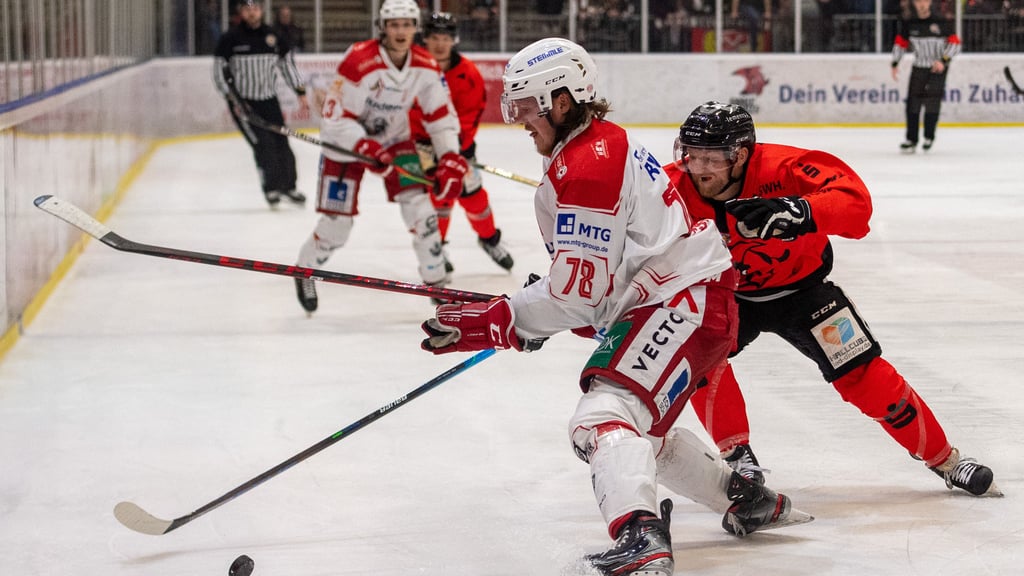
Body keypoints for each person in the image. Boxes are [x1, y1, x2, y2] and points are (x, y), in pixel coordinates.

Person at [417, 39, 812, 576]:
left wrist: (504, 318)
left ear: (562, 100)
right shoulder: (594, 148)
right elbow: (593, 288)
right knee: (640, 433)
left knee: (602, 419)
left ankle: (640, 537)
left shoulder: (587, 164)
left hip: (680, 300)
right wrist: (530, 312)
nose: (521, 119)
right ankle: (745, 498)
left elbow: (579, 293)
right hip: (689, 299)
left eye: (529, 105)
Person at [664, 101, 1001, 499]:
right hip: (727, 296)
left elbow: (857, 206)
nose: (699, 168)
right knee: (698, 361)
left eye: (712, 157)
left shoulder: (785, 168)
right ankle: (739, 459)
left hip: (804, 292)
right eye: (692, 155)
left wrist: (800, 211)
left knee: (863, 373)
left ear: (740, 154)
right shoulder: (668, 183)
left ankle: (946, 460)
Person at [292, 0, 468, 314]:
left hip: (395, 142)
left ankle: (437, 281)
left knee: (422, 211)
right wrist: (364, 146)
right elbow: (335, 115)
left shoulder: (425, 65)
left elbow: (440, 115)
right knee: (337, 225)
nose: (400, 31)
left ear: (416, 28)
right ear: (382, 28)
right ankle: (305, 269)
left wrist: (451, 157)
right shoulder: (359, 59)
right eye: (394, 24)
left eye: (407, 24)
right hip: (345, 148)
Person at [409, 12, 514, 274]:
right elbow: (406, 109)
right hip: (422, 148)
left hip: (459, 148)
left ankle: (489, 239)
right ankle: (437, 247)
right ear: (426, 39)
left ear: (453, 39)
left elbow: (470, 117)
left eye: (445, 38)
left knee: (474, 198)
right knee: (438, 199)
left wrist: (451, 150)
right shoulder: (413, 69)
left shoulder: (467, 73)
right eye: (435, 37)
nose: (440, 44)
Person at [213, 0, 309, 208]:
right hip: (244, 105)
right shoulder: (230, 39)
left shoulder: (273, 37)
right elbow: (219, 72)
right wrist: (232, 99)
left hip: (269, 101)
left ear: (261, 10)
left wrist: (300, 92)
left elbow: (287, 66)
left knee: (282, 142)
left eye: (255, 8)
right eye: (247, 9)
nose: (252, 12)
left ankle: (289, 187)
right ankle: (271, 189)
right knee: (263, 145)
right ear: (241, 12)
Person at [891, 0, 961, 153]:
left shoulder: (941, 21)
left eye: (924, 0)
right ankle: (911, 139)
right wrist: (895, 63)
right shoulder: (909, 22)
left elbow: (955, 44)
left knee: (932, 102)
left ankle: (929, 136)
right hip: (919, 67)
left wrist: (943, 60)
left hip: (938, 68)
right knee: (912, 103)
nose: (921, 4)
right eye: (918, 1)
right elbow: (900, 43)